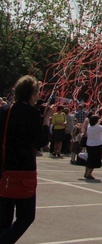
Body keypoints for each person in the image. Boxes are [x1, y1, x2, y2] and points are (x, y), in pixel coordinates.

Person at [0, 76, 47, 243]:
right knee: (26, 216)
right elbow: (41, 142)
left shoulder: (6, 110)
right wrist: (46, 122)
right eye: (37, 92)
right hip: (23, 170)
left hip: (4, 169)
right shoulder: (32, 113)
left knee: (4, 218)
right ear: (31, 94)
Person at [83, 115, 102, 180]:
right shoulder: (98, 128)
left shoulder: (89, 126)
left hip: (89, 144)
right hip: (96, 145)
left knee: (89, 159)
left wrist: (100, 120)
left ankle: (86, 173)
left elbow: (96, 124)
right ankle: (89, 174)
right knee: (94, 161)